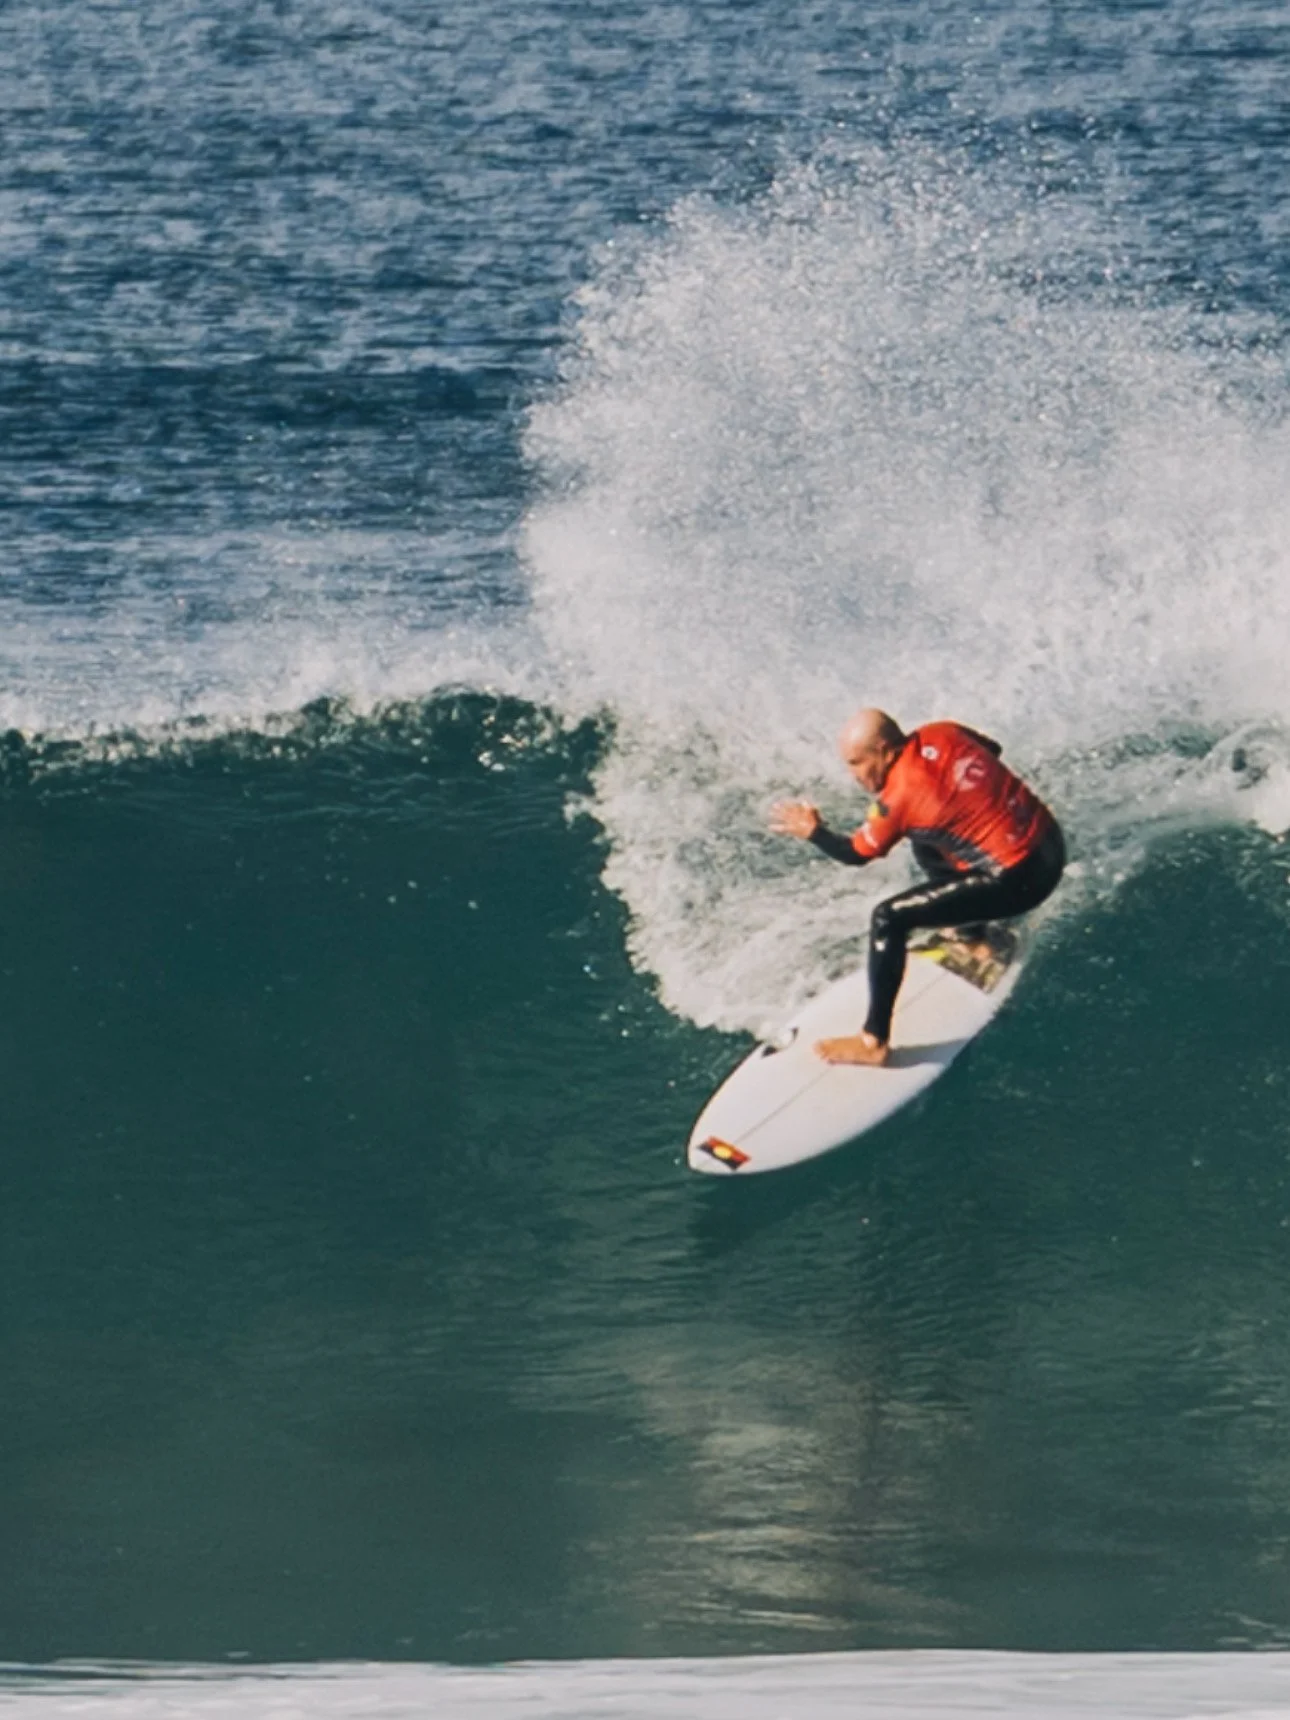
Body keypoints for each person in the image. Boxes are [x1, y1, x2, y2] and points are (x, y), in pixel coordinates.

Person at [771, 709, 1065, 1066]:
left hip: (1021, 882)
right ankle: (974, 937)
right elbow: (992, 750)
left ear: (884, 750)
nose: (853, 776)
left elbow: (855, 854)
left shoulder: (898, 799)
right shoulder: (943, 731)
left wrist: (813, 832)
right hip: (1049, 844)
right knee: (925, 838)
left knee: (888, 918)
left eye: (856, 763)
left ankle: (873, 1041)